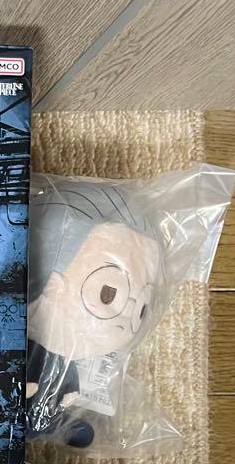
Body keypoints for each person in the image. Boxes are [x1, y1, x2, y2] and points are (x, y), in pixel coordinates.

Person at [27, 178, 162, 448]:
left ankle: (53, 422)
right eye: (107, 295)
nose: (124, 321)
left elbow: (66, 377)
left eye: (140, 309)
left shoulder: (63, 359)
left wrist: (68, 393)